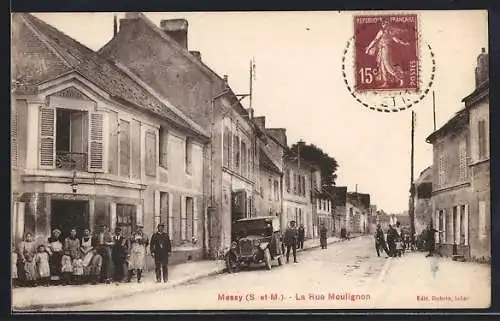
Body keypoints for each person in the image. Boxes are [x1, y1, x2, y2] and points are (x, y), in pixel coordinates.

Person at [364, 18, 410, 88]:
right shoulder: (383, 32)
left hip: (385, 49)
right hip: (382, 50)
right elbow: (375, 40)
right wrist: (368, 48)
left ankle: (401, 78)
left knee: (388, 66)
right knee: (383, 67)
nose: (384, 25)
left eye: (386, 23)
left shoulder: (386, 32)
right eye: (383, 23)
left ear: (388, 24)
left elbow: (396, 40)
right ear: (382, 25)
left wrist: (404, 43)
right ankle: (386, 82)